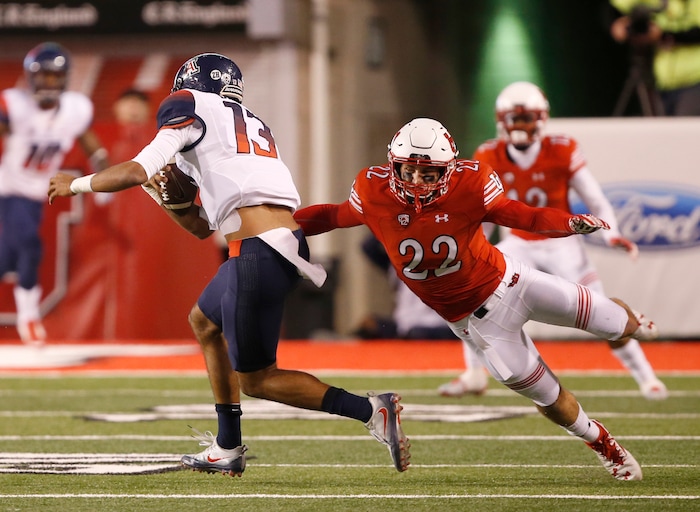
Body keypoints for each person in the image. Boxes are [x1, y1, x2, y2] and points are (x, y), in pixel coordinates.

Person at [48, 52, 410, 475]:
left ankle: (370, 410)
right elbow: (202, 227)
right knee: (203, 322)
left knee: (258, 380)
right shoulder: (245, 124)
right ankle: (227, 445)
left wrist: (74, 184)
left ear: (188, 84)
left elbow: (134, 169)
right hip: (272, 245)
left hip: (258, 252)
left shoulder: (186, 104)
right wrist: (163, 196)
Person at [292, 117, 658, 481]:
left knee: (617, 323)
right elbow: (335, 215)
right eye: (407, 171)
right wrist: (278, 228)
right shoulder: (373, 191)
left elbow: (522, 215)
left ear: (448, 170)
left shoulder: (471, 182)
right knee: (549, 398)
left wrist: (567, 223)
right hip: (478, 325)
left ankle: (635, 321)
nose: (416, 182)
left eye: (428, 173)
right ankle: (604, 443)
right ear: (392, 164)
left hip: (515, 283)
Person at [438, 81, 667, 401]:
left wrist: (611, 232)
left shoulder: (561, 149)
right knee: (472, 296)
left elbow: (596, 199)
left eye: (525, 118)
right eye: (513, 118)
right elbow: (482, 212)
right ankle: (474, 374)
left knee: (601, 309)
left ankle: (646, 376)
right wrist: (471, 251)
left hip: (561, 243)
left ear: (541, 118)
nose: (518, 126)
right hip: (517, 243)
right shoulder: (488, 154)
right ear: (500, 120)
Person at [0, 42, 109, 345]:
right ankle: (29, 319)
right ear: (31, 77)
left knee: (7, 259)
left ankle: (28, 317)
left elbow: (91, 144)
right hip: (9, 190)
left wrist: (102, 173)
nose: (49, 82)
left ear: (64, 78)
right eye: (43, 75)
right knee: (30, 247)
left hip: (37, 195)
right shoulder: (15, 104)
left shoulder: (75, 108)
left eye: (54, 76)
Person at [353, 234, 455, 340]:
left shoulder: (450, 260)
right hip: (409, 326)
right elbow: (368, 247)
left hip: (437, 327)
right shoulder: (398, 264)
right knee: (369, 326)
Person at [610, 0, 700, 116]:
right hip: (663, 81)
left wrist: (666, 36)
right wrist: (617, 24)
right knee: (666, 132)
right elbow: (613, 9)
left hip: (694, 78)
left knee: (686, 131)